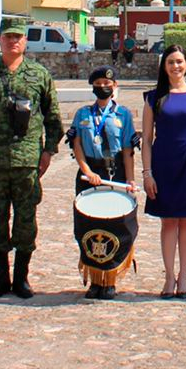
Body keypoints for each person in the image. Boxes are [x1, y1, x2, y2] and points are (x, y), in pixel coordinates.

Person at [0, 17, 63, 299]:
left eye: (18, 37)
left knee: (26, 221)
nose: (13, 41)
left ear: (25, 41)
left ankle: (21, 278)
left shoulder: (39, 74)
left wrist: (48, 151)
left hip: (27, 161)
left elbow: (53, 117)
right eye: (8, 37)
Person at [141, 44, 186, 299]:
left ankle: (184, 275)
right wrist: (147, 173)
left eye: (179, 61)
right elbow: (146, 139)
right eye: (170, 62)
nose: (175, 66)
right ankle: (169, 275)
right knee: (168, 222)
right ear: (164, 66)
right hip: (163, 164)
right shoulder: (153, 98)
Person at [68, 65, 138, 300]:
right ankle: (94, 280)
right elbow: (76, 144)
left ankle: (110, 280)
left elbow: (128, 149)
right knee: (89, 226)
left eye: (107, 85)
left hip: (114, 173)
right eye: (98, 85)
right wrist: (86, 170)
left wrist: (130, 180)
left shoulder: (124, 114)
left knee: (114, 227)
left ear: (115, 86)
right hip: (90, 174)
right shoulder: (82, 114)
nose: (103, 88)